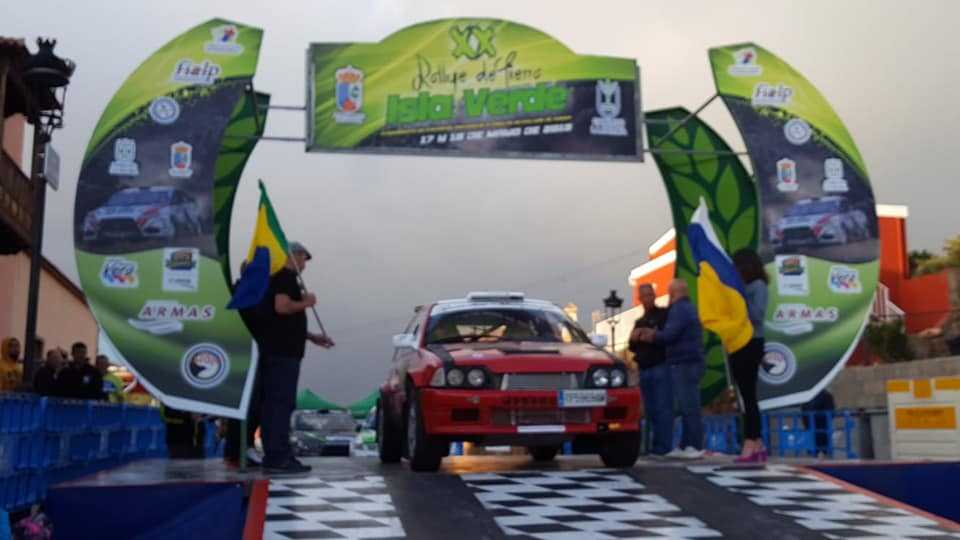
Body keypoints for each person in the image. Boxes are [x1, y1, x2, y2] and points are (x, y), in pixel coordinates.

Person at [258, 241, 334, 474]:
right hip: (282, 354)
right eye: (303, 258)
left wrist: (311, 337)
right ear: (293, 256)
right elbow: (282, 307)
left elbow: (286, 320)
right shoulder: (285, 277)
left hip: (283, 352)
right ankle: (278, 457)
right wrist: (306, 303)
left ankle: (277, 454)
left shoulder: (282, 278)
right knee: (280, 404)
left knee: (278, 403)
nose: (304, 265)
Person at [638, 279, 705, 459]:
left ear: (674, 293)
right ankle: (686, 444)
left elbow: (670, 334)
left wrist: (652, 335)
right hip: (690, 361)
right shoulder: (688, 307)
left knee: (688, 406)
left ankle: (693, 445)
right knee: (687, 405)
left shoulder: (678, 309)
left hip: (684, 362)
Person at [225, 261, 267, 467]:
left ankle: (241, 447)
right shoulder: (244, 293)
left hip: (251, 353)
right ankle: (239, 448)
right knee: (249, 404)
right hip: (245, 355)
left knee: (254, 404)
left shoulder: (245, 291)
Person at [731, 249, 769, 463]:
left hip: (751, 342)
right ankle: (757, 442)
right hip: (738, 342)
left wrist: (741, 301)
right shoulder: (744, 287)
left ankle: (751, 441)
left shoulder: (758, 286)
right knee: (744, 395)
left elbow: (758, 315)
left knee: (749, 395)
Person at [628, 284, 672, 458]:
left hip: (660, 366)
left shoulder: (664, 315)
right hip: (644, 369)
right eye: (644, 296)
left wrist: (650, 335)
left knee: (663, 408)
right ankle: (653, 446)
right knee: (651, 410)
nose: (647, 298)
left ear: (654, 295)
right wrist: (637, 337)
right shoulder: (639, 322)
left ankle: (664, 446)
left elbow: (666, 337)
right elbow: (632, 346)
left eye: (650, 295)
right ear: (640, 299)